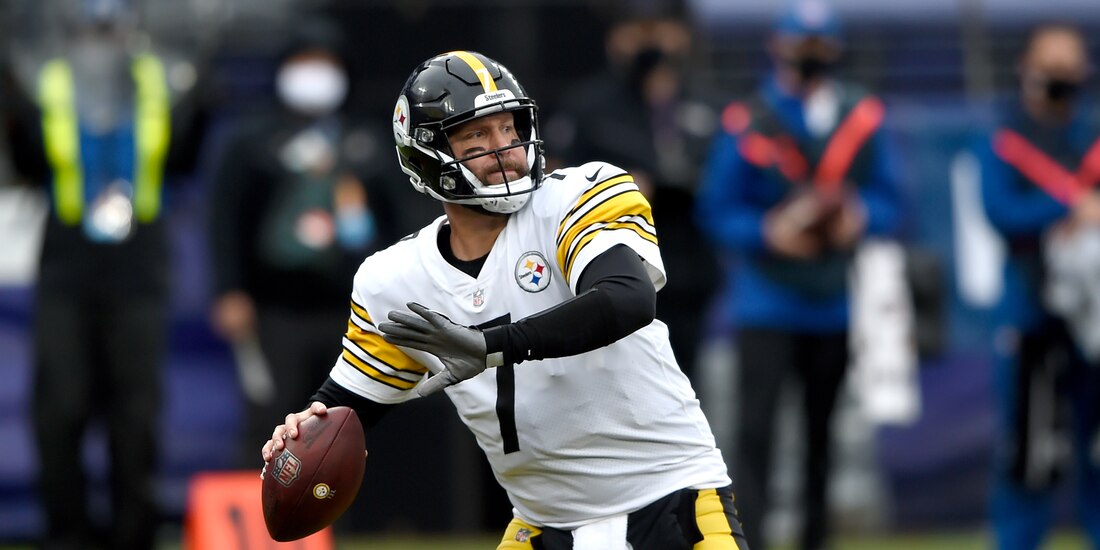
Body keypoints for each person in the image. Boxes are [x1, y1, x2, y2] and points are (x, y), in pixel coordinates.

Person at [261, 50, 749, 550]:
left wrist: (489, 345)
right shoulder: (395, 279)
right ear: (425, 152)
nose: (506, 149)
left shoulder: (576, 196)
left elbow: (627, 300)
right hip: (543, 525)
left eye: (510, 129)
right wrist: (303, 431)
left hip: (670, 500)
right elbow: (348, 407)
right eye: (476, 135)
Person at [694, 1, 902, 548]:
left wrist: (857, 217)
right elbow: (717, 208)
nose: (809, 59)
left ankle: (814, 540)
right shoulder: (749, 117)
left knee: (821, 438)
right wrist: (770, 232)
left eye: (819, 48)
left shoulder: (860, 115)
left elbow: (891, 199)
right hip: (766, 302)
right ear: (777, 47)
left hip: (833, 300)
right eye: (800, 47)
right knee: (754, 434)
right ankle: (749, 541)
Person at [0, 0, 208, 548]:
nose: (101, 35)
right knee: (60, 405)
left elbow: (184, 157)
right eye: (93, 25)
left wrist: (201, 98)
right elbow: (26, 161)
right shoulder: (50, 80)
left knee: (135, 410)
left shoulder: (159, 79)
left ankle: (131, 531)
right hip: (67, 261)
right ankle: (66, 531)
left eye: (110, 24)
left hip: (138, 263)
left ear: (131, 28)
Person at [207, 16, 403, 467]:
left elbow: (398, 222)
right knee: (274, 418)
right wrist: (229, 290)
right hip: (275, 309)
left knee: (346, 423)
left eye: (325, 63)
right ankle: (267, 523)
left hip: (354, 311)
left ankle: (342, 529)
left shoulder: (367, 144)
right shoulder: (253, 141)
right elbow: (224, 218)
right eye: (304, 62)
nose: (315, 73)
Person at [545, 6, 720, 381]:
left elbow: (733, 180)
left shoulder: (709, 104)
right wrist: (614, 188)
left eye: (658, 29)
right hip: (613, 263)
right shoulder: (587, 106)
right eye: (638, 30)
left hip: (690, 262)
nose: (650, 42)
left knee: (686, 379)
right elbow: (551, 184)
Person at [978, 24, 1100, 550]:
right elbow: (1002, 212)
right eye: (1050, 66)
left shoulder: (1090, 132)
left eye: (1069, 67)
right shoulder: (1006, 136)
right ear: (1025, 67)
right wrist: (1070, 206)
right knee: (1028, 454)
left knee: (1097, 449)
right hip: (1032, 314)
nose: (1060, 78)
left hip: (1095, 320)